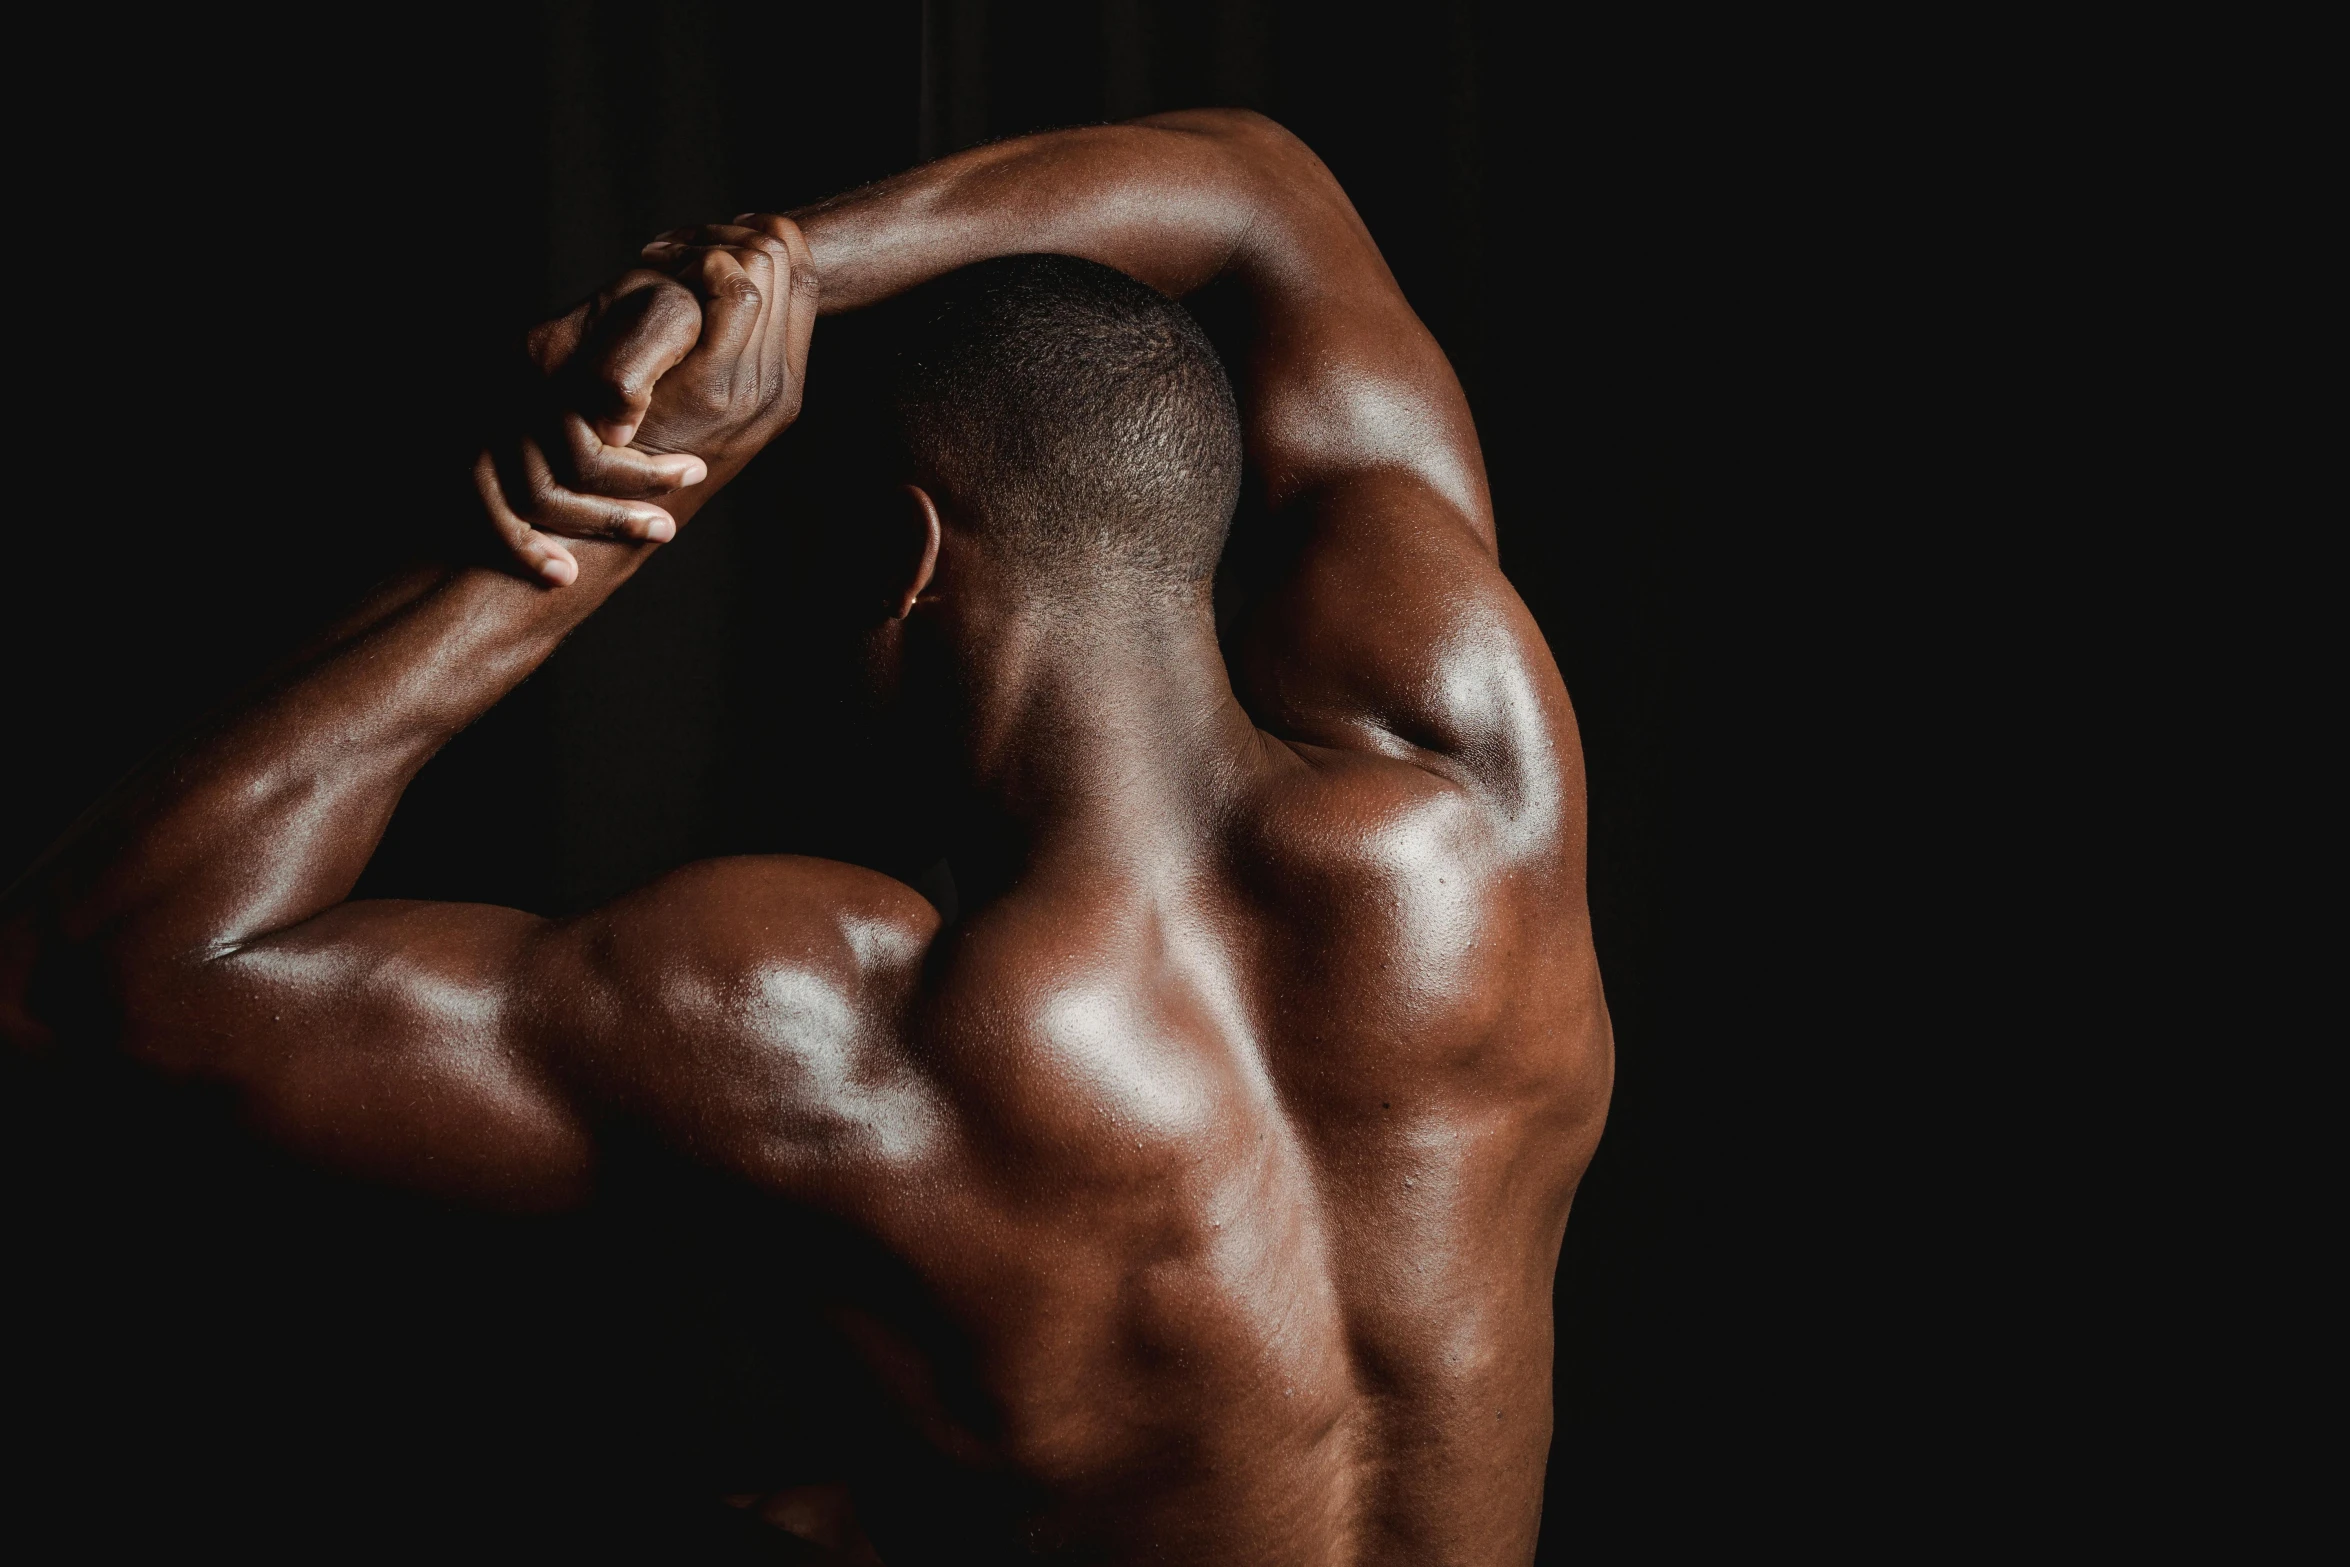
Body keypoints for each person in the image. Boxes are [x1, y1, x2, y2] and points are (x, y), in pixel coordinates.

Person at [1, 110, 1611, 1564]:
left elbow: (105, 970)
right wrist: (771, 280)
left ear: (897, 557)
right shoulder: (1477, 804)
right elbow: (1262, 192)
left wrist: (617, 496)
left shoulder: (839, 1027)